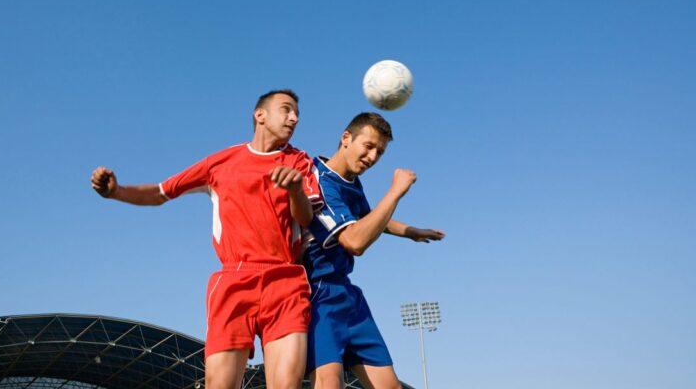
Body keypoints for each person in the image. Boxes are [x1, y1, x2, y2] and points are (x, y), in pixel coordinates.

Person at [91, 90, 322, 389]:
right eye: (286, 109)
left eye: (297, 114)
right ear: (260, 115)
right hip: (234, 281)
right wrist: (116, 191)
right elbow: (161, 193)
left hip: (285, 281)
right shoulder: (221, 163)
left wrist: (295, 191)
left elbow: (305, 217)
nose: (294, 118)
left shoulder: (299, 161)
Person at [302, 112, 444, 389]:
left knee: (389, 386)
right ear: (346, 138)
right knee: (330, 383)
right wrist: (395, 192)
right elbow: (354, 242)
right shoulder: (318, 180)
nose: (372, 157)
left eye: (379, 152)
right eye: (368, 146)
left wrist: (411, 231)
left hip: (347, 293)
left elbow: (369, 218)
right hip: (317, 293)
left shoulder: (351, 182)